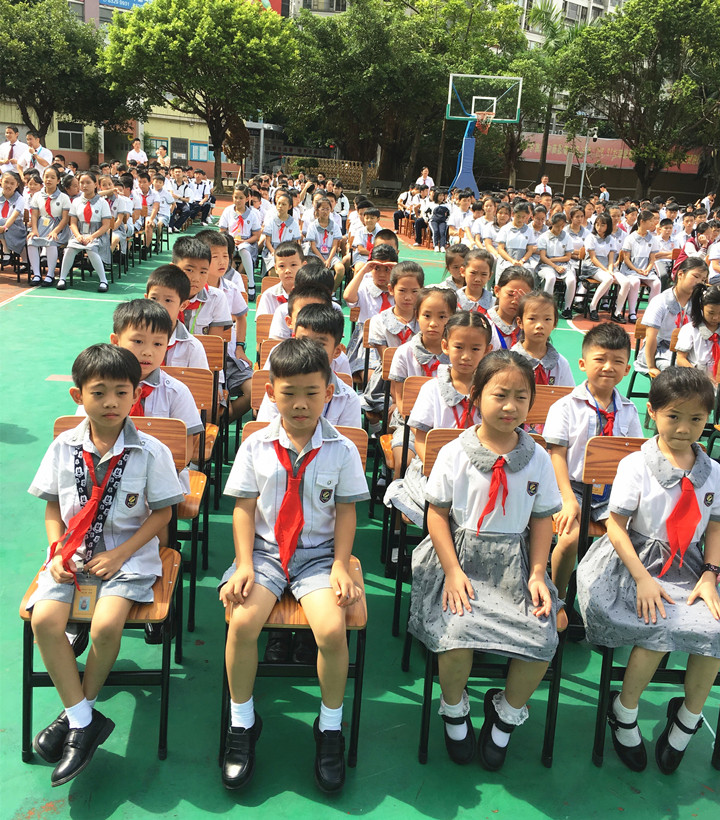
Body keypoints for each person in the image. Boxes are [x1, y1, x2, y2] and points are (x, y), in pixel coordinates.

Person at [25, 343, 184, 786]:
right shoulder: (63, 447)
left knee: (106, 626)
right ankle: (82, 719)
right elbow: (53, 507)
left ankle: (79, 714)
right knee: (44, 622)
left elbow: (163, 513)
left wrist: (120, 553)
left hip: (127, 558)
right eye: (99, 393)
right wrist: (57, 550)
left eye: (121, 392)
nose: (111, 402)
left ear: (137, 394)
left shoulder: (151, 451)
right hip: (72, 556)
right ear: (78, 396)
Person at [219, 337, 370, 792]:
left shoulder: (342, 449)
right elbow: (244, 509)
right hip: (265, 553)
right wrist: (243, 564)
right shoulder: (255, 445)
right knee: (242, 624)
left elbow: (346, 511)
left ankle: (329, 727)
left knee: (331, 630)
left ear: (329, 392)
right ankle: (242, 722)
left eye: (311, 392)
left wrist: (341, 564)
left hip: (318, 556)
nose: (300, 403)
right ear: (270, 392)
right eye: (289, 393)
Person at [408, 350, 562, 770]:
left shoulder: (538, 458)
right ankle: (454, 709)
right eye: (500, 395)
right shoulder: (455, 452)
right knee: (456, 634)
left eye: (521, 397)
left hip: (516, 564)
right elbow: (436, 514)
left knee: (542, 639)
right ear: (476, 396)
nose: (510, 406)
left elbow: (542, 519)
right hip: (459, 559)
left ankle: (505, 714)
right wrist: (452, 572)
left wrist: (538, 572)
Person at [577, 367, 720, 774]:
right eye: (674, 416)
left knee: (715, 630)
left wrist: (710, 574)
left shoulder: (714, 472)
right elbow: (615, 526)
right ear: (652, 413)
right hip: (634, 563)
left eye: (696, 418)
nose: (684, 428)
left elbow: (715, 526)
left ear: (708, 419)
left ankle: (688, 718)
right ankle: (624, 710)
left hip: (691, 568)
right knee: (657, 625)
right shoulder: (636, 464)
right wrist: (642, 578)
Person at [544, 322, 642, 602]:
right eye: (600, 359)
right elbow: (556, 454)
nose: (608, 367)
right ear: (583, 364)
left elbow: (635, 457)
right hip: (569, 488)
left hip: (611, 493)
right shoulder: (565, 406)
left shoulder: (628, 410)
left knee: (627, 539)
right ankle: (559, 597)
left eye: (618, 361)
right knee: (569, 538)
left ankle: (602, 598)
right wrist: (567, 499)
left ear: (627, 369)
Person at [385, 311, 492, 526]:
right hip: (434, 470)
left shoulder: (492, 390)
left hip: (482, 470)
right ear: (445, 346)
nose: (466, 356)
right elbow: (420, 440)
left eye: (475, 349)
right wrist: (442, 472)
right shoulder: (431, 389)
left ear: (488, 351)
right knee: (438, 507)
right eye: (458, 347)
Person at [387, 287, 456, 472]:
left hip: (446, 425)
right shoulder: (404, 353)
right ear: (417, 316)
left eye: (442, 317)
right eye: (427, 315)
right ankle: (398, 486)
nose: (433, 323)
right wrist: (421, 432)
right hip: (409, 424)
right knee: (404, 461)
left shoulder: (457, 356)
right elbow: (400, 401)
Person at [258, 305, 361, 428]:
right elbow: (266, 433)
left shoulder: (348, 398)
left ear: (337, 351)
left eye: (320, 344)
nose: (310, 349)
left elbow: (348, 439)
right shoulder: (280, 388)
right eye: (303, 341)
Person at [361, 261, 424, 423]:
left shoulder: (425, 321)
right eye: (402, 290)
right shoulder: (379, 321)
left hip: (420, 376)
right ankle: (380, 433)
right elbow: (388, 363)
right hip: (387, 382)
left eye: (415, 291)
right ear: (391, 289)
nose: (408, 297)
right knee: (387, 414)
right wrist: (397, 400)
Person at [635, 258, 709, 377]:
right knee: (675, 373)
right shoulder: (660, 301)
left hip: (687, 351)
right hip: (659, 351)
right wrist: (651, 367)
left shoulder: (699, 304)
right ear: (680, 274)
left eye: (703, 280)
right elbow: (651, 337)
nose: (699, 282)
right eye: (696, 276)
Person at [343, 244, 398, 373]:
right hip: (368, 343)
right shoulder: (365, 285)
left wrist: (400, 271)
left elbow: (419, 299)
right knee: (370, 374)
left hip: (395, 340)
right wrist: (363, 270)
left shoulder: (399, 289)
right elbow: (348, 297)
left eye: (387, 269)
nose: (382, 274)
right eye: (376, 268)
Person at [145, 264, 209, 368]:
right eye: (154, 298)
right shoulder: (135, 337)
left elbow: (200, 378)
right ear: (146, 298)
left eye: (168, 300)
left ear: (183, 305)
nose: (159, 305)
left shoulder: (192, 347)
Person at [56, 171, 111, 292]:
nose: (84, 185)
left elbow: (106, 225)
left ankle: (103, 281)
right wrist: (78, 235)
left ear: (95, 184)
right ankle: (62, 279)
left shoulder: (103, 202)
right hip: (80, 235)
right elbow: (73, 223)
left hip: (97, 235)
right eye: (82, 183)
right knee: (69, 249)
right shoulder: (76, 201)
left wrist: (92, 237)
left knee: (91, 249)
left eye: (88, 182)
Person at [511, 291, 574, 388]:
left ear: (554, 323)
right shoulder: (510, 361)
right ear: (520, 322)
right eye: (532, 319)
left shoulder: (561, 364)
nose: (540, 325)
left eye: (547, 319)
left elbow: (568, 394)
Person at [171, 236, 232, 336]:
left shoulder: (216, 298)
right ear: (172, 269)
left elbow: (213, 342)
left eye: (203, 272)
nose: (196, 279)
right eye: (189, 270)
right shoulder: (161, 295)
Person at [614, 209, 661, 324]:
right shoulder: (630, 238)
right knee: (635, 282)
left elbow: (652, 259)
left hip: (646, 270)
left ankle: (651, 313)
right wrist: (636, 270)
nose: (653, 223)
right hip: (631, 269)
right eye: (650, 221)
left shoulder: (653, 239)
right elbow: (626, 259)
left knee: (657, 283)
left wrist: (647, 269)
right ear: (642, 221)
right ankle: (632, 312)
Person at [27, 165, 70, 286]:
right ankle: (36, 274)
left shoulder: (64, 197)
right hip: (42, 224)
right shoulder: (37, 195)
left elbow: (65, 218)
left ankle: (50, 275)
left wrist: (55, 231)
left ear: (58, 180)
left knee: (51, 241)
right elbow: (34, 215)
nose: (49, 180)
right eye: (46, 177)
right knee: (31, 240)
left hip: (58, 227)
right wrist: (34, 229)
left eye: (52, 177)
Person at [218, 183, 262, 301]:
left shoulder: (253, 214)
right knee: (228, 254)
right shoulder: (228, 211)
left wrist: (244, 241)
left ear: (247, 198)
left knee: (243, 249)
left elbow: (256, 236)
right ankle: (227, 283)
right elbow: (222, 231)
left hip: (248, 243)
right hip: (230, 242)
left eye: (241, 198)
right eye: (235, 197)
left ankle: (251, 283)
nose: (238, 200)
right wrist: (231, 240)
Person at [675, 283, 720, 382]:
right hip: (696, 381)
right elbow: (680, 359)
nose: (716, 317)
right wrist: (700, 377)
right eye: (711, 313)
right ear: (701, 307)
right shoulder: (690, 330)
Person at [535, 213, 575, 320]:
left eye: (562, 226)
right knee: (551, 278)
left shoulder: (567, 237)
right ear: (552, 224)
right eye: (557, 226)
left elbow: (567, 257)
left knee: (571, 280)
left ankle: (567, 308)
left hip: (563, 264)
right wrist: (554, 266)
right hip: (546, 265)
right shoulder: (544, 237)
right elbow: (543, 257)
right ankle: (546, 307)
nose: (560, 228)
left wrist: (555, 261)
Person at [485, 267, 535, 351]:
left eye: (522, 297)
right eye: (510, 295)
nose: (515, 301)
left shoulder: (530, 326)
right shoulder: (484, 325)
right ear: (497, 291)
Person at [582, 213, 618, 321]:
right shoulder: (591, 237)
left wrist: (610, 270)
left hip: (606, 267)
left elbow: (611, 259)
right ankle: (593, 307)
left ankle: (617, 311)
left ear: (608, 226)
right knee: (608, 279)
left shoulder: (611, 239)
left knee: (625, 282)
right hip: (591, 266)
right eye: (597, 224)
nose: (599, 227)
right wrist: (606, 270)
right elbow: (593, 258)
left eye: (602, 225)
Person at [305, 195, 344, 289]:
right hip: (315, 254)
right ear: (317, 210)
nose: (325, 211)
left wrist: (329, 260)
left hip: (330, 254)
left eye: (327, 209)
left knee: (340, 269)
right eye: (322, 209)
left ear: (331, 209)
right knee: (315, 270)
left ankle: (331, 291)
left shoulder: (335, 226)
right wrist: (323, 260)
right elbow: (313, 246)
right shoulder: (312, 226)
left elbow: (334, 246)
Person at [256, 241, 303, 317]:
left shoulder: (311, 295)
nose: (287, 270)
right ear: (276, 269)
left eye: (293, 265)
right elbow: (262, 323)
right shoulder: (269, 296)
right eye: (282, 266)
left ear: (303, 266)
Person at [261, 191, 301, 274]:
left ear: (289, 207)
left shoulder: (294, 223)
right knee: (273, 268)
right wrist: (273, 252)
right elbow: (268, 241)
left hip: (288, 250)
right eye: (278, 203)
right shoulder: (271, 221)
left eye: (283, 204)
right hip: (273, 250)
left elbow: (295, 242)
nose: (280, 206)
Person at [0, 170, 27, 267]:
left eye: (12, 183)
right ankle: (6, 249)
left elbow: (14, 216)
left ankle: (6, 251)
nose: (8, 185)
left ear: (17, 185)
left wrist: (4, 227)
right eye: (6, 182)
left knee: (2, 221)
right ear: (1, 181)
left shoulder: (20, 199)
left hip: (16, 228)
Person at [455, 248, 494, 314]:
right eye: (473, 273)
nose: (477, 279)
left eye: (484, 274)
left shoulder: (493, 303)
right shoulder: (454, 300)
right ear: (463, 271)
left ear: (490, 275)